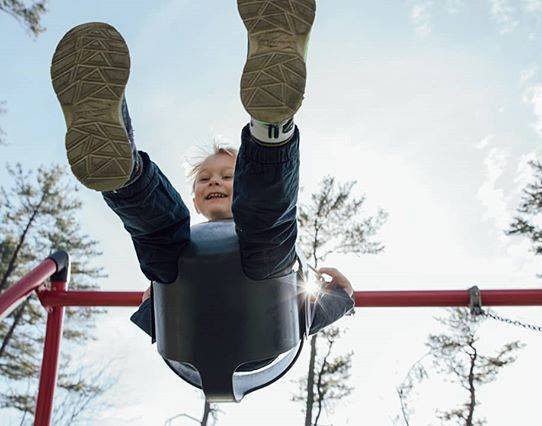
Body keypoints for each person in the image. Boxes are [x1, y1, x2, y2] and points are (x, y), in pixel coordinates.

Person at [50, 0, 355, 377]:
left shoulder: (246, 240)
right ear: (196, 197)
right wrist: (341, 296)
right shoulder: (184, 247)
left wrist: (155, 306)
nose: (215, 181)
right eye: (206, 178)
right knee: (161, 232)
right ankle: (123, 170)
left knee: (263, 221)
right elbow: (310, 311)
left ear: (240, 182)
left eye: (228, 176)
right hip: (210, 331)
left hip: (244, 335)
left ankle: (270, 126)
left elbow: (302, 313)